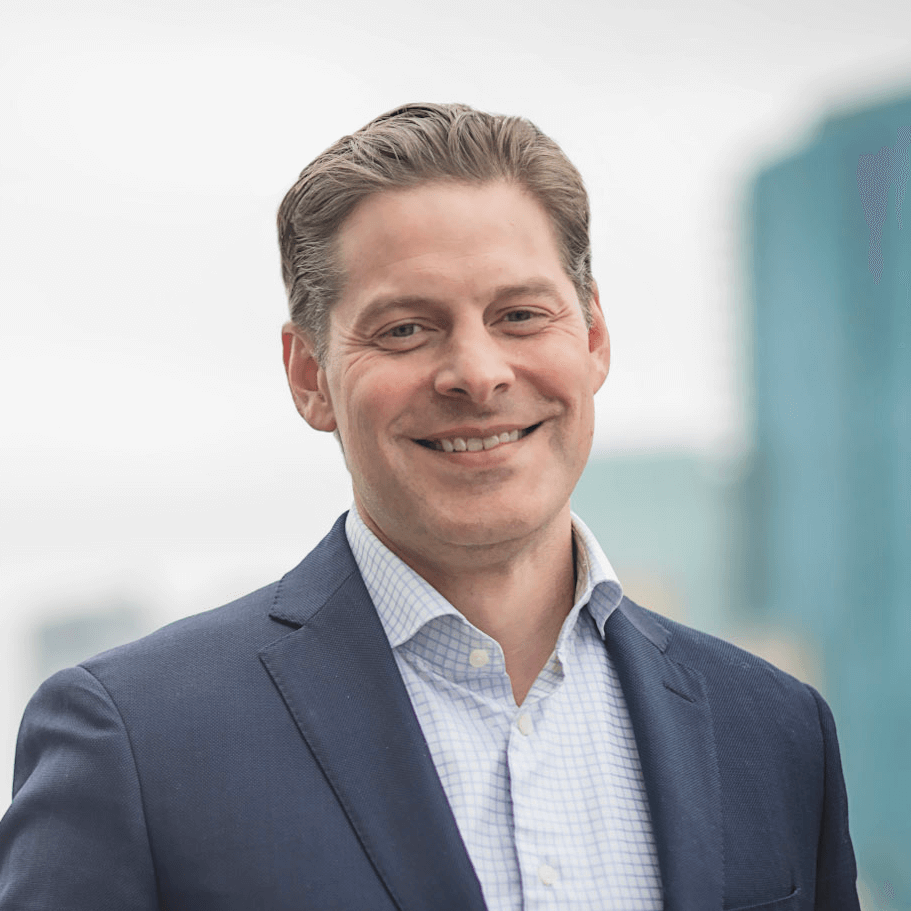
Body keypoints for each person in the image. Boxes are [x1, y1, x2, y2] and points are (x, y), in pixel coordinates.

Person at [0, 103, 860, 910]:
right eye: (406, 328)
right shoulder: (136, 740)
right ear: (310, 376)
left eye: (520, 314)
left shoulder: (776, 730)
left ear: (592, 338)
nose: (477, 372)